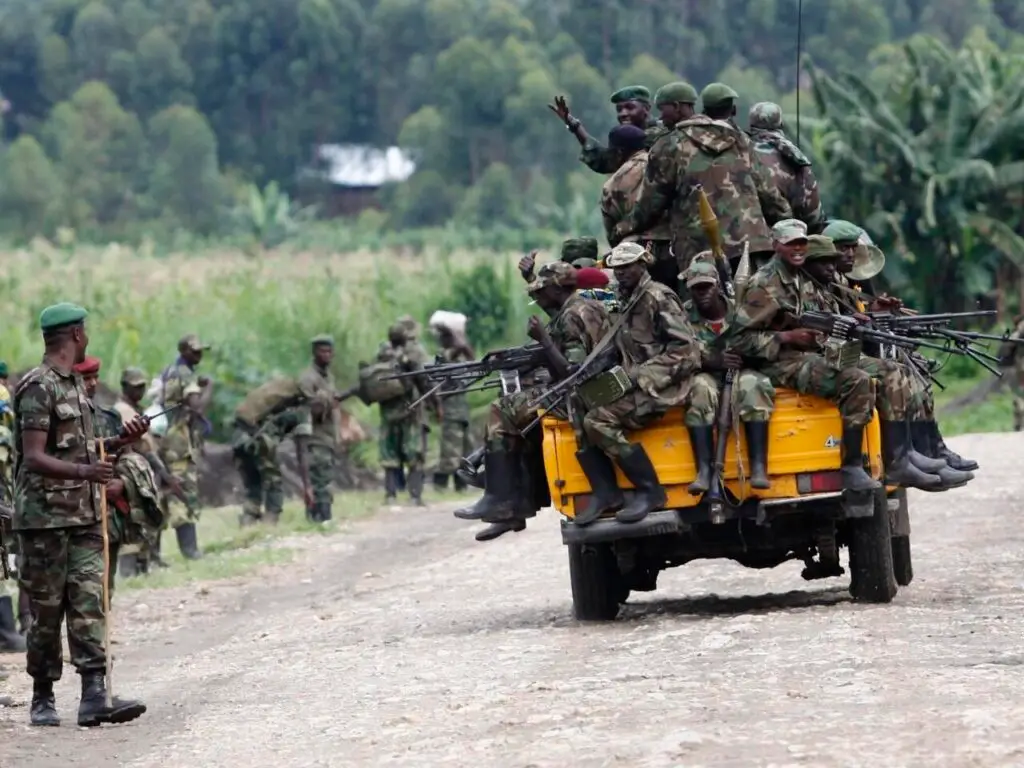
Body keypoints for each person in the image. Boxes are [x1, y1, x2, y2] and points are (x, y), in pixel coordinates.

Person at [14, 302, 148, 727]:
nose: (87, 337)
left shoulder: (76, 386)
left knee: (90, 603)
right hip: (46, 521)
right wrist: (86, 473)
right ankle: (42, 696)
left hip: (86, 516)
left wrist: (122, 441)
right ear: (75, 335)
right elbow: (34, 457)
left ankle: (94, 695)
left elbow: (83, 450)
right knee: (47, 611)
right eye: (85, 330)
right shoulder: (38, 387)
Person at [730, 231, 945, 493]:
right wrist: (786, 337)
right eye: (791, 244)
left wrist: (862, 319)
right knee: (856, 380)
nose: (832, 267)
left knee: (893, 371)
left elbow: (830, 322)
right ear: (777, 246)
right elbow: (738, 340)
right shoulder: (766, 284)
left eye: (801, 243)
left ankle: (900, 458)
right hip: (783, 361)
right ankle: (851, 466)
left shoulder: (812, 280)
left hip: (821, 354)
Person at [456, 262, 611, 539]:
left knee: (504, 409)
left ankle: (499, 499)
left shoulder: (572, 316)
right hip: (590, 389)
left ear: (557, 290)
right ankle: (508, 503)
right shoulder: (582, 308)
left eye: (542, 290)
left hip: (580, 395)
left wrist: (544, 341)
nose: (537, 296)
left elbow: (572, 373)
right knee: (516, 408)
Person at [823, 220, 978, 479]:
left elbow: (855, 316)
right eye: (843, 249)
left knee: (914, 367)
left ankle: (930, 449)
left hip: (851, 350)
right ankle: (902, 457)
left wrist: (877, 312)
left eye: (852, 248)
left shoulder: (842, 280)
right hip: (835, 355)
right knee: (895, 372)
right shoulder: (822, 279)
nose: (851, 255)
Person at [611, 83, 792, 277]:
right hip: (751, 243)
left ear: (678, 107)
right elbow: (767, 192)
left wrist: (622, 228)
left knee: (705, 297)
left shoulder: (669, 145)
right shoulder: (739, 138)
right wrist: (790, 226)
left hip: (700, 251)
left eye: (663, 109)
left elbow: (651, 203)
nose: (660, 117)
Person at [581, 243, 702, 524]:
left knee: (597, 421)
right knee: (578, 404)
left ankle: (649, 490)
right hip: (635, 383)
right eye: (617, 268)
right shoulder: (625, 299)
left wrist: (640, 376)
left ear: (642, 265)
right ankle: (605, 491)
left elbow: (687, 351)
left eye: (627, 266)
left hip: (666, 386)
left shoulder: (658, 297)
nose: (620, 273)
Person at [681, 259, 776, 491]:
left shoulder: (741, 309)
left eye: (707, 286)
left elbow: (767, 338)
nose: (702, 293)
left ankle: (758, 467)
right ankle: (704, 471)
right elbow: (677, 351)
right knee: (699, 388)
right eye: (696, 288)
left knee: (753, 384)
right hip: (706, 374)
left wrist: (747, 351)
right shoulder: (682, 316)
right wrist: (710, 360)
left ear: (717, 285)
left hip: (742, 372)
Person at [74, 358, 165, 591]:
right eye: (85, 378)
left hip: (105, 514)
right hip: (71, 514)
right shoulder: (54, 420)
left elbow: (126, 458)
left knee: (104, 588)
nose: (92, 383)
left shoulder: (108, 418)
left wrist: (122, 483)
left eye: (95, 377)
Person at [114, 367, 178, 574]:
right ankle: (130, 569)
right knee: (136, 518)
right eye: (135, 387)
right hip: (132, 469)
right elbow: (137, 445)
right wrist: (162, 471)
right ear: (124, 387)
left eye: (142, 386)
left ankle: (146, 562)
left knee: (150, 515)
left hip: (143, 468)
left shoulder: (136, 409)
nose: (139, 391)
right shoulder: (123, 410)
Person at [156, 334, 212, 560]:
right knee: (182, 492)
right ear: (184, 351)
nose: (199, 355)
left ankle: (153, 555)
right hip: (179, 443)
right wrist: (209, 389)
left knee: (167, 492)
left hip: (167, 439)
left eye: (200, 351)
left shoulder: (169, 371)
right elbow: (197, 408)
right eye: (194, 351)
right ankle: (190, 550)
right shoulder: (185, 374)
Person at [599, 124, 676, 288]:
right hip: (673, 247)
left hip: (633, 254)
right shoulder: (666, 166)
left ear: (619, 152)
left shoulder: (613, 183)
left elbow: (611, 228)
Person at [231, 380, 313, 526]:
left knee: (253, 483)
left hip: (239, 438)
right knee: (273, 482)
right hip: (259, 441)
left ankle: (248, 522)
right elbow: (302, 450)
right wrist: (307, 486)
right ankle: (270, 522)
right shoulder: (302, 412)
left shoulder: (274, 398)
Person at [748, 102, 824, 233]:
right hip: (786, 237)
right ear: (781, 124)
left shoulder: (738, 152)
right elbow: (813, 216)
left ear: (751, 126)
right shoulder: (794, 157)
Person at [549, 86, 661, 175]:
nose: (623, 114)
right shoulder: (626, 140)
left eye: (630, 107)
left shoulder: (660, 135)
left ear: (646, 109)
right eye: (619, 109)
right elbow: (604, 160)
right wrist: (574, 124)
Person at [430, 315, 475, 492]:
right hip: (450, 410)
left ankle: (461, 485)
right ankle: (439, 485)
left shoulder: (458, 359)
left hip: (462, 410)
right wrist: (456, 336)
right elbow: (459, 349)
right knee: (450, 452)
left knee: (466, 450)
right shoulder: (442, 356)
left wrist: (460, 338)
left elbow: (472, 359)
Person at [298, 335, 340, 521]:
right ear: (314, 352)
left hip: (328, 437)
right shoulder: (308, 378)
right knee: (319, 480)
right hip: (314, 437)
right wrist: (326, 401)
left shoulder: (328, 377)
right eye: (323, 351)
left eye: (329, 351)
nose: (327, 355)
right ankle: (319, 518)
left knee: (325, 478)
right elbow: (308, 410)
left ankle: (323, 517)